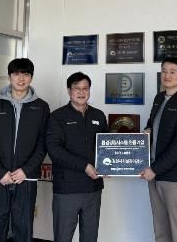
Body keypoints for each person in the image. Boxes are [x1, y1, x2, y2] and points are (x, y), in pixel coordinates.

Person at [0, 58, 50, 242]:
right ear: (9, 76)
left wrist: (26, 170)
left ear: (31, 77)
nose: (21, 78)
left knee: (23, 228)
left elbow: (43, 143)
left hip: (26, 178)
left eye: (25, 74)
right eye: (16, 74)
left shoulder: (41, 107)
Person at [141, 57, 177, 242]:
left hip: (175, 177)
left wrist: (155, 169)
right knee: (161, 230)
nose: (167, 75)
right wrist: (148, 130)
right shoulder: (159, 98)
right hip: (155, 174)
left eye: (172, 72)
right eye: (164, 71)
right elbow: (152, 123)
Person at [46, 72, 108, 242]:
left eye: (85, 88)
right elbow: (55, 151)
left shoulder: (98, 115)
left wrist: (110, 166)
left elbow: (107, 147)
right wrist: (85, 166)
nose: (81, 92)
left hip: (93, 188)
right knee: (63, 237)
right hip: (67, 189)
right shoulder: (57, 117)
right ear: (69, 90)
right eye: (77, 88)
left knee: (90, 237)